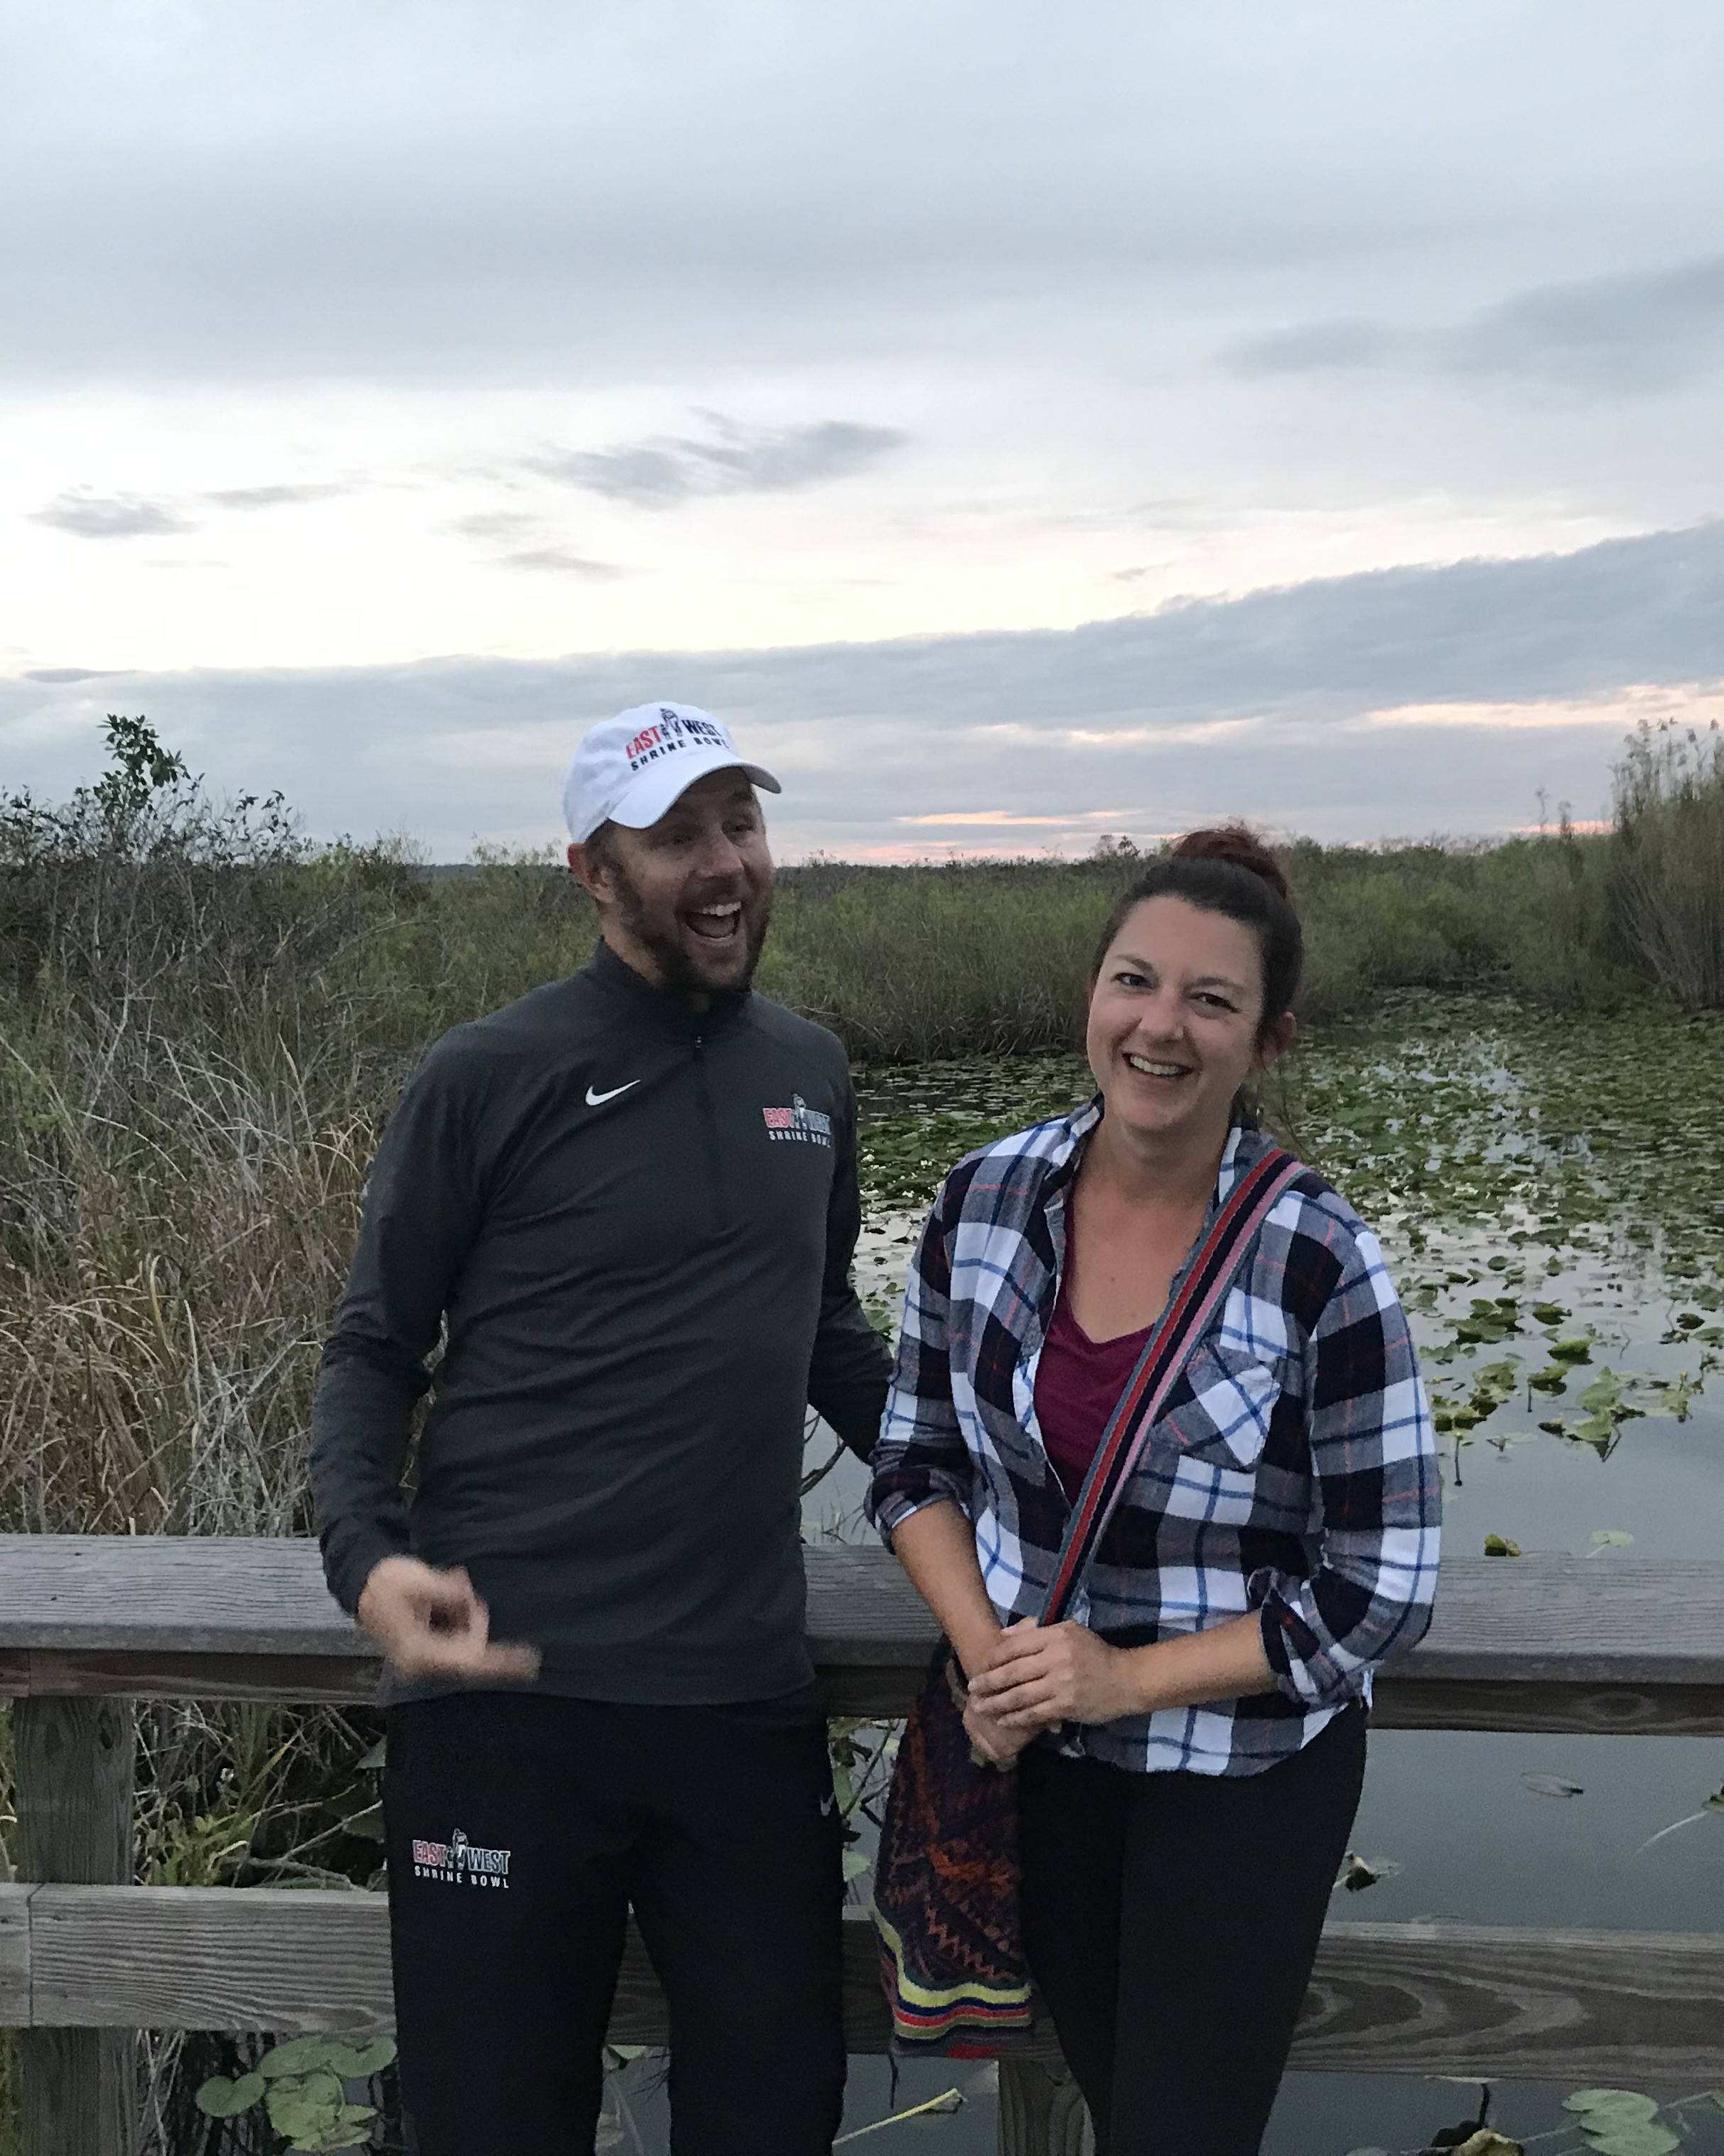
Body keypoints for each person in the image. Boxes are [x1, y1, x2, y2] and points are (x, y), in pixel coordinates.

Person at [308, 701, 892, 2155]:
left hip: (742, 1707)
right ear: (591, 870)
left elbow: (827, 1331)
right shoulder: (486, 1073)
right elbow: (376, 1345)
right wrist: (363, 1558)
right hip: (504, 1708)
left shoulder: (811, 1073)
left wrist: (982, 1497)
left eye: (742, 823)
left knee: (775, 2118)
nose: (726, 862)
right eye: (678, 835)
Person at [866, 827, 1440, 2156]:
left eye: (1210, 1000)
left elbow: (1384, 1589)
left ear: (1268, 1042)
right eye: (1135, 981)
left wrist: (1123, 1679)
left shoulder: (1319, 1257)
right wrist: (994, 1660)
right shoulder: (983, 1198)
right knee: (1118, 2101)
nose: (1160, 1026)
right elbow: (914, 1462)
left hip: (1238, 1775)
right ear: (1093, 994)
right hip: (1046, 1759)